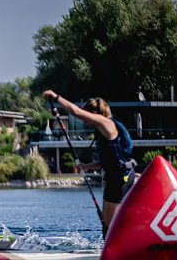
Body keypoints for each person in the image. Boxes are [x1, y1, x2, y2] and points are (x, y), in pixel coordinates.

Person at [43, 91, 134, 233]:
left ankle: (113, 251)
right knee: (108, 220)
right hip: (119, 175)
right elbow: (109, 160)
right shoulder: (105, 128)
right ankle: (111, 247)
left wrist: (56, 97)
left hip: (119, 177)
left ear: (96, 112)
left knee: (109, 224)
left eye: (88, 116)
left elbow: (76, 112)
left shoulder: (105, 122)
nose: (87, 121)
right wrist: (86, 166)